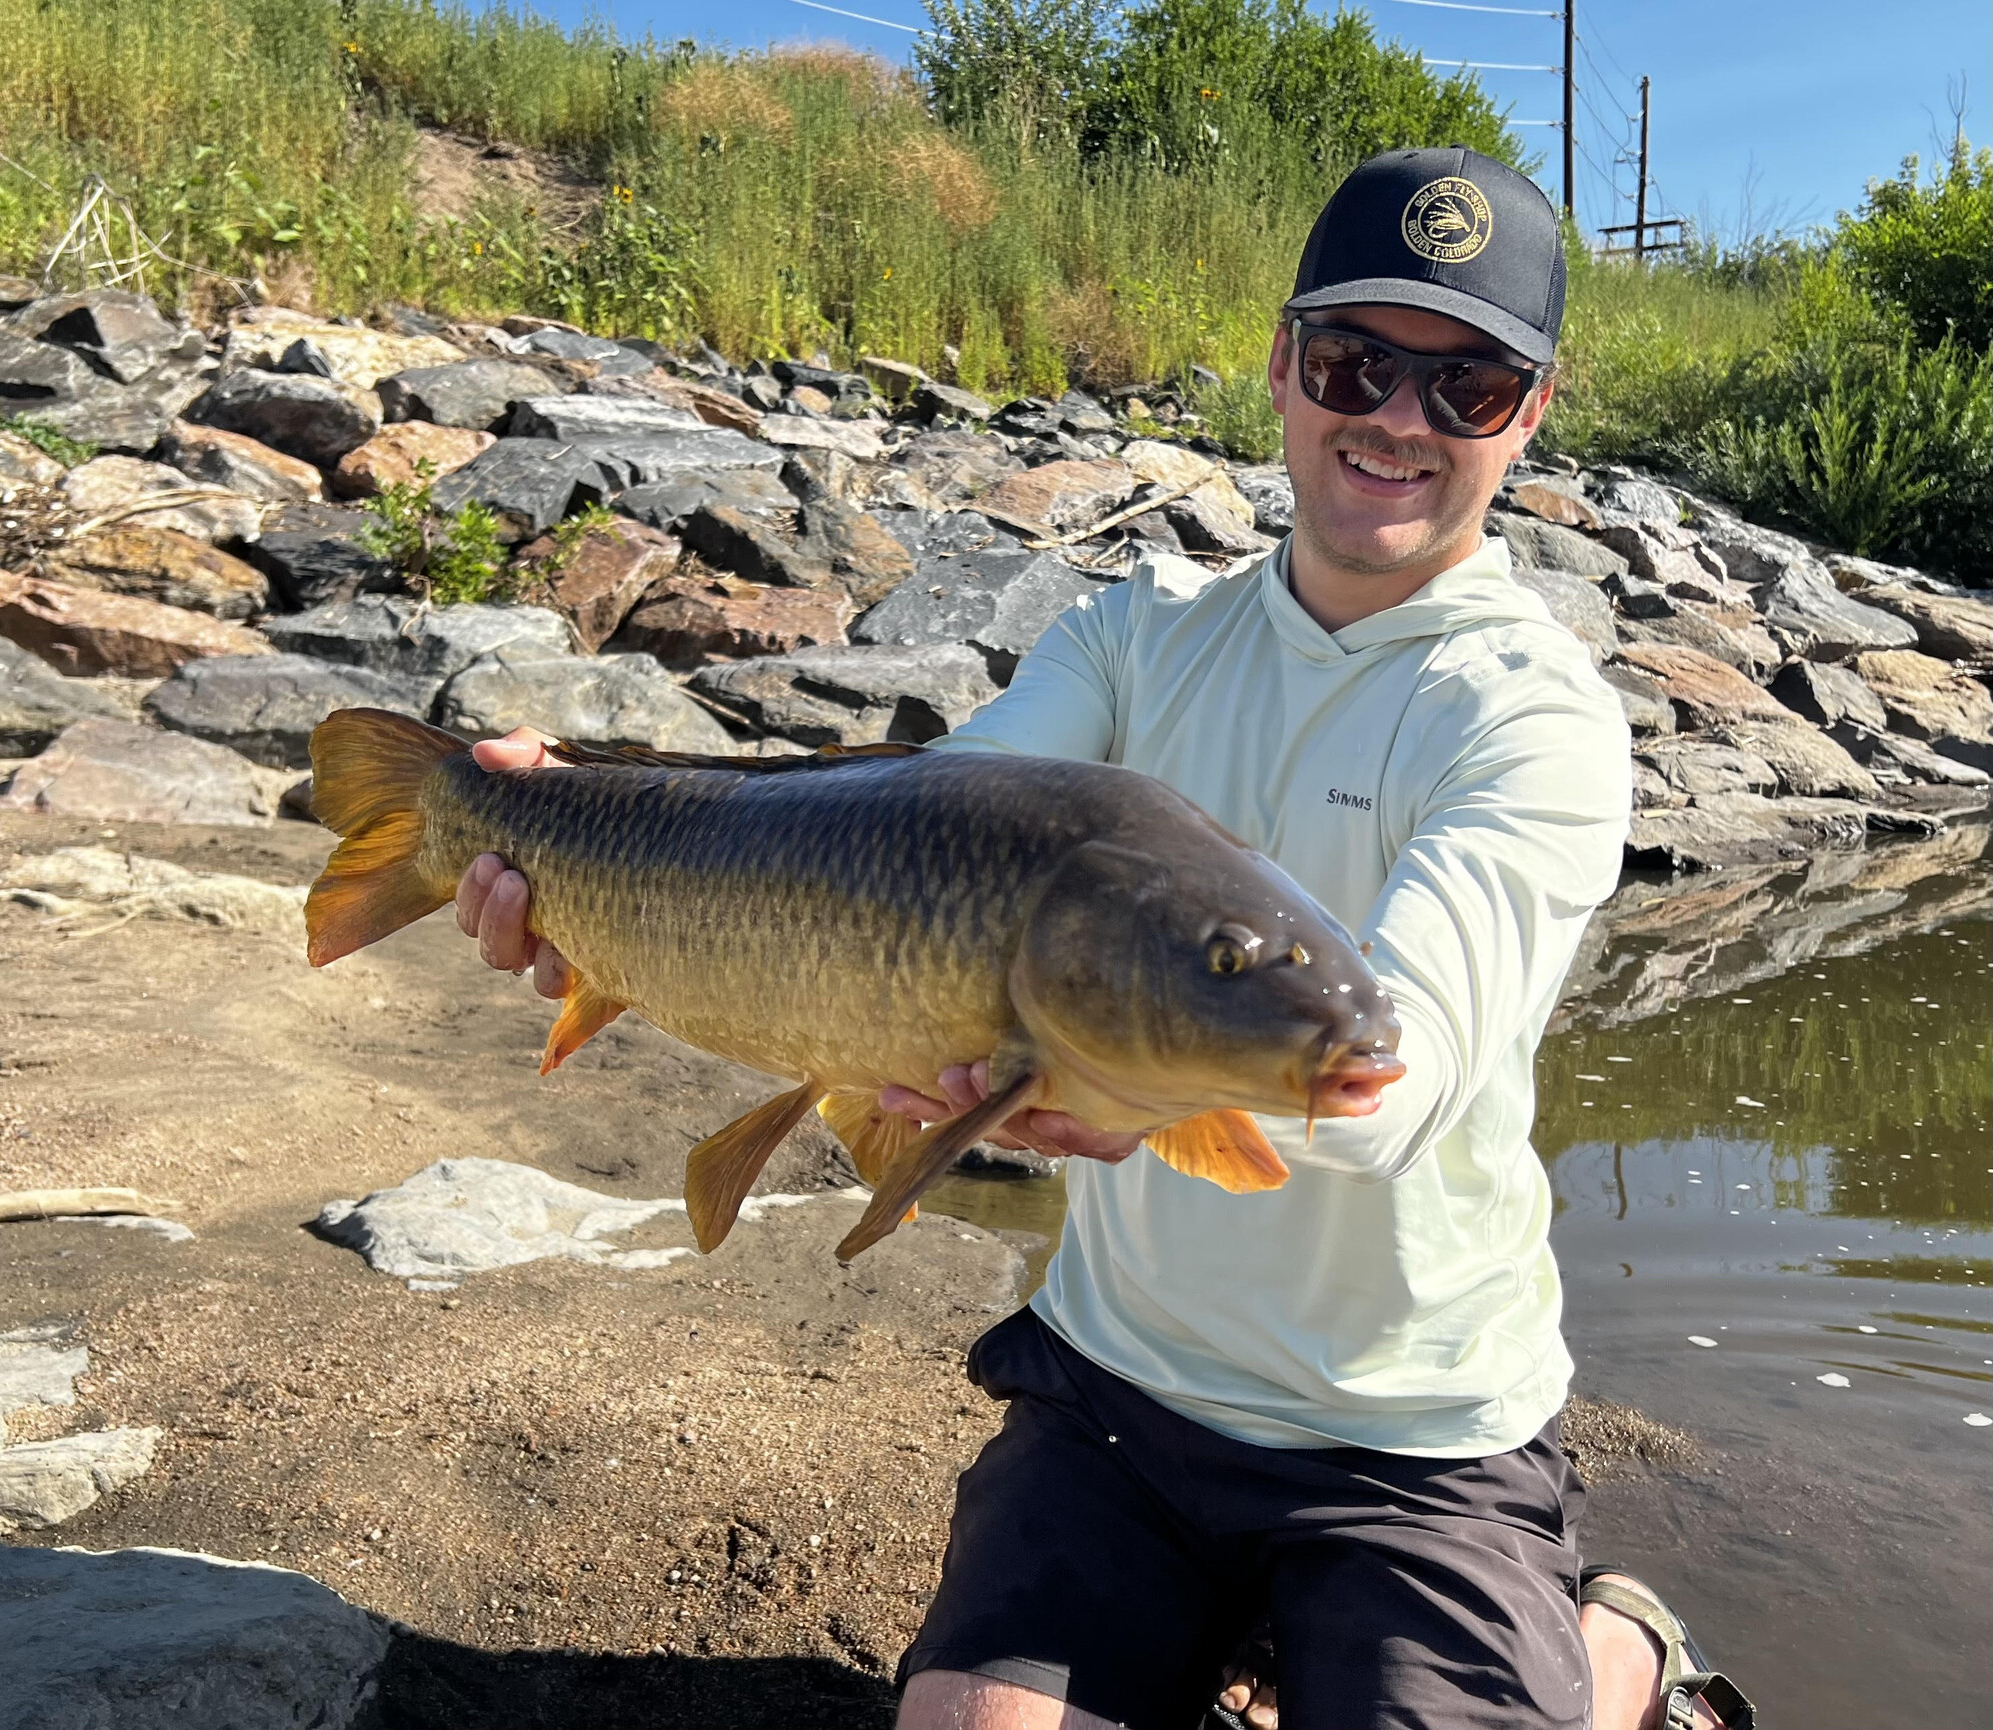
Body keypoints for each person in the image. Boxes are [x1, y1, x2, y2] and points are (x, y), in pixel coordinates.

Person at [450, 149, 1754, 1730]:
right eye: (1357, 362)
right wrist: (587, 844)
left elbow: (1401, 1075)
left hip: (1414, 1433)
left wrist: (1140, 1091)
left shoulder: (1532, 715)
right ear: (1283, 367)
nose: (1399, 419)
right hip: (1123, 1389)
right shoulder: (1136, 634)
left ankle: (1613, 1654)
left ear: (1529, 416)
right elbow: (921, 826)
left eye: (1466, 386)